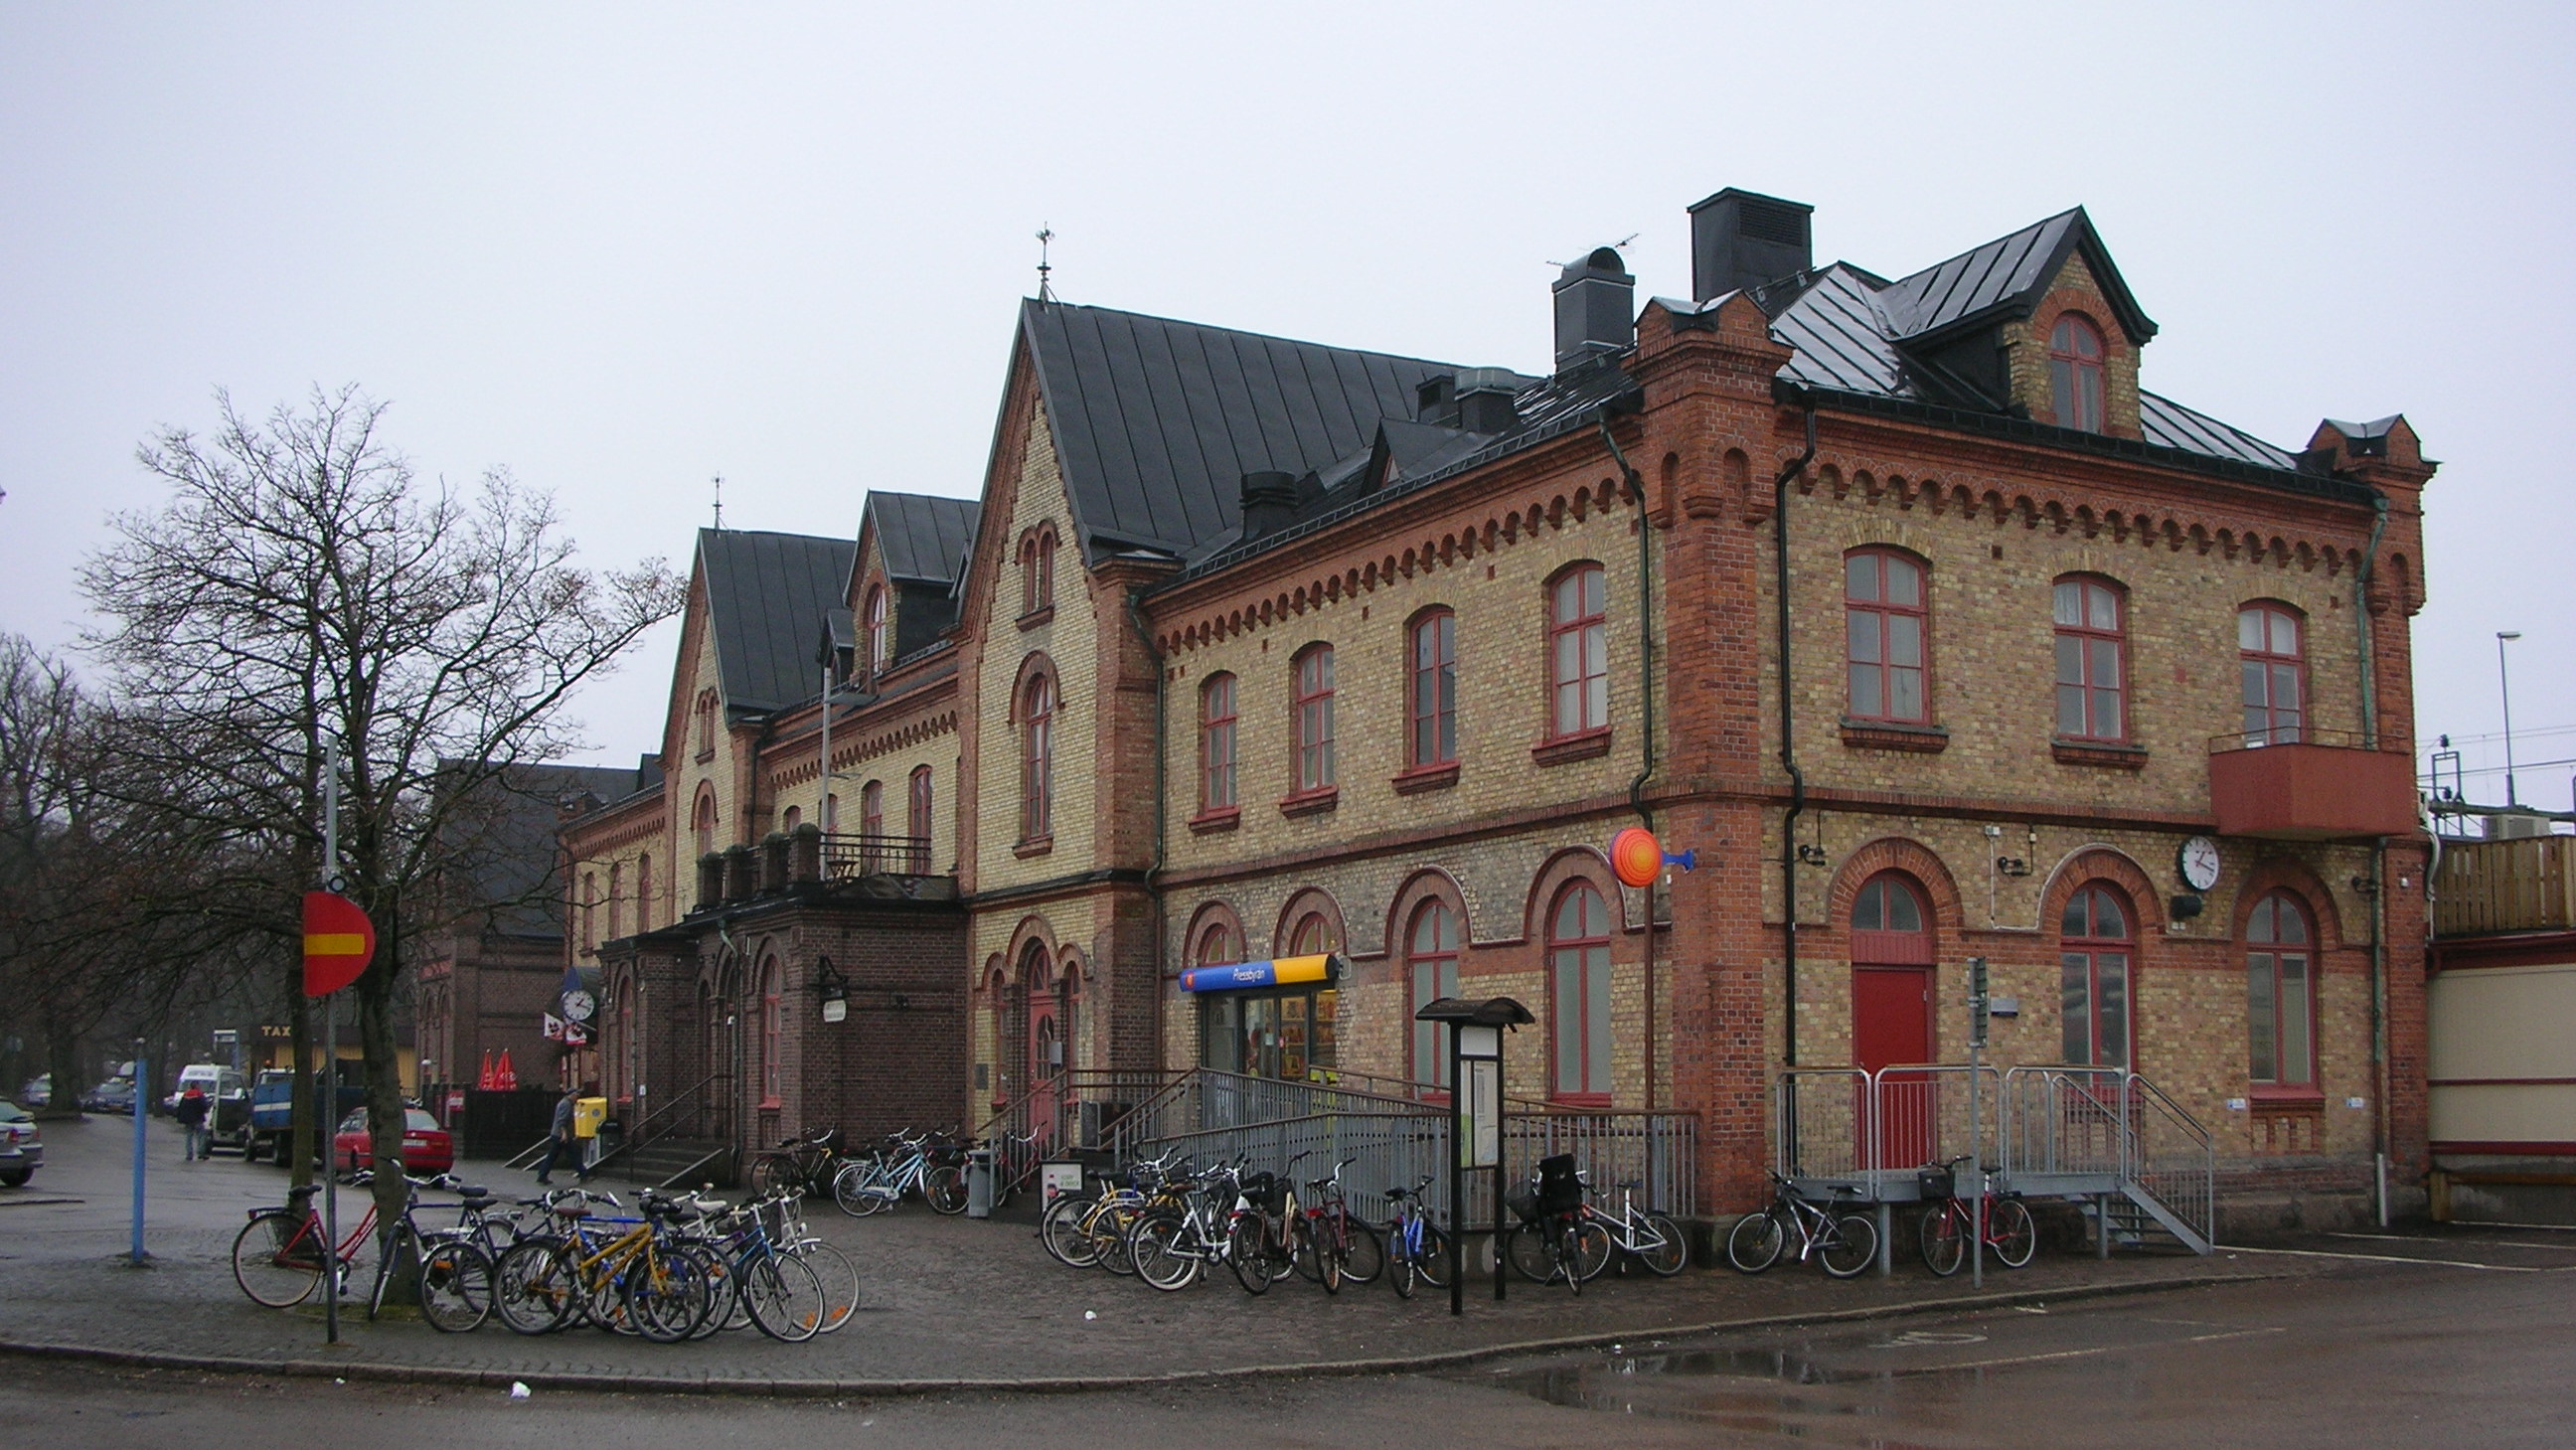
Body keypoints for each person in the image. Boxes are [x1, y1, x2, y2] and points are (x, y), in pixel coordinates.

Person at [533, 1085, 586, 1185]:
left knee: (553, 1156)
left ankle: (542, 1174)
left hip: (558, 1134)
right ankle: (583, 1173)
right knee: (573, 1154)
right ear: (572, 1095)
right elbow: (562, 1120)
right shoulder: (566, 1104)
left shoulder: (564, 1103)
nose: (578, 1097)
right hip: (561, 1135)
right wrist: (564, 1134)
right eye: (577, 1095)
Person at [175, 1085, 211, 1161]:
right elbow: (204, 1106)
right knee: (201, 1136)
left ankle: (189, 1154)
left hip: (188, 1120)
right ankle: (201, 1153)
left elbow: (181, 1107)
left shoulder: (186, 1094)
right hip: (198, 1119)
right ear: (197, 1086)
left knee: (189, 1137)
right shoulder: (199, 1094)